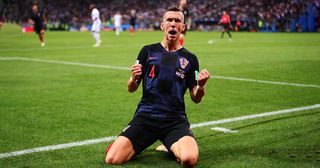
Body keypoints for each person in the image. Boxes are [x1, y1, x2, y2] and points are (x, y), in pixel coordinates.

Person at [105, 7, 210, 167]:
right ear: (162, 25)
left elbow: (195, 98)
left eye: (177, 21)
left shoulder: (190, 59)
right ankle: (163, 143)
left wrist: (201, 87)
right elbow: (131, 88)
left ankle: (170, 144)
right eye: (169, 20)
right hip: (146, 117)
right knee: (112, 159)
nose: (173, 24)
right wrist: (133, 79)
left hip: (174, 120)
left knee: (189, 159)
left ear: (183, 27)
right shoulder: (147, 51)